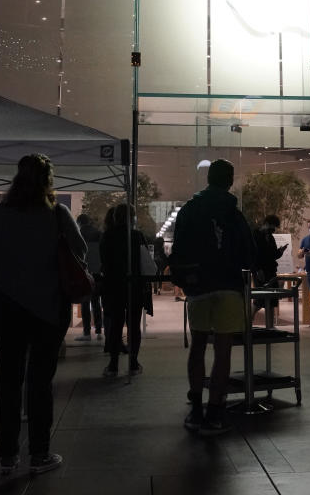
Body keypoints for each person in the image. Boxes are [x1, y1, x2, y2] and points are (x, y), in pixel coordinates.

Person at [0, 154, 85, 476]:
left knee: (8, 382)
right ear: (48, 180)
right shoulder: (57, 214)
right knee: (40, 382)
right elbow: (80, 253)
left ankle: (7, 456)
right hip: (48, 310)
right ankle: (39, 454)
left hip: (7, 309)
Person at [171, 159, 254, 436]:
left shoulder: (190, 208)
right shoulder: (234, 212)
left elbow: (179, 246)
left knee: (198, 346)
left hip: (199, 285)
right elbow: (247, 249)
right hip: (229, 285)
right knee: (223, 349)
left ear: (208, 178)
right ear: (230, 180)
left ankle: (195, 407)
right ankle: (216, 411)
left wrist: (185, 277)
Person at [99, 204, 152, 377]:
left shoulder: (107, 236)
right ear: (132, 218)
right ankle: (134, 362)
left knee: (115, 324)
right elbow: (146, 263)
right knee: (133, 325)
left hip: (114, 286)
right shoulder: (136, 236)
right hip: (134, 286)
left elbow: (103, 262)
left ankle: (113, 364)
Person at [75, 214, 104, 342]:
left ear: (79, 222)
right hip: (97, 272)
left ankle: (87, 332)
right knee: (96, 302)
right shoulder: (98, 234)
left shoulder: (78, 233)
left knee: (85, 302)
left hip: (83, 272)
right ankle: (99, 331)